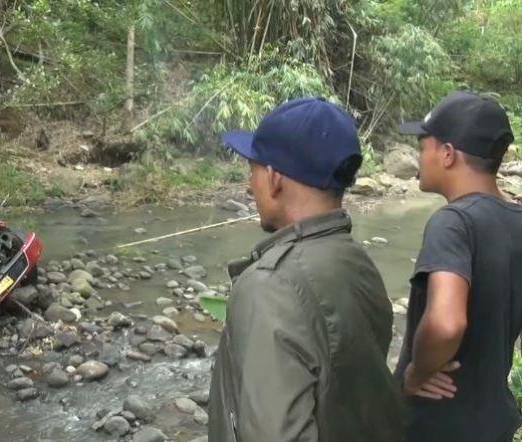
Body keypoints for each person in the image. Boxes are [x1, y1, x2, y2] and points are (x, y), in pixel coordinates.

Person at [209, 97, 404, 441]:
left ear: (274, 178)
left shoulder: (269, 286)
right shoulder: (356, 261)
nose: (250, 185)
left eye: (253, 169)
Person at [396, 90, 520, 442]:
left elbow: (446, 323)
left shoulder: (453, 222)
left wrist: (418, 371)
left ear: (448, 154)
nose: (419, 157)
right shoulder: (516, 220)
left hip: (439, 423)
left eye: (423, 146)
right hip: (493, 419)